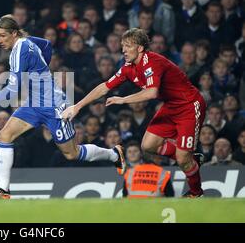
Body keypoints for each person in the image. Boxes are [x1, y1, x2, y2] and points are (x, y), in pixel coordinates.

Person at [0, 15, 126, 199]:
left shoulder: (19, 52)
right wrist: (42, 69)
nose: (0, 41)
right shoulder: (27, 41)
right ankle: (4, 188)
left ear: (13, 33)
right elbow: (46, 45)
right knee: (5, 135)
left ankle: (113, 154)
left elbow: (10, 94)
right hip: (34, 104)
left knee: (72, 154)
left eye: (3, 36)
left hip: (54, 107)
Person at [63, 28, 206, 197]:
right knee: (148, 146)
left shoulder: (152, 61)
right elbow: (104, 87)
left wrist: (123, 99)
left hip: (190, 105)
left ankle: (196, 192)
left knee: (182, 159)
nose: (123, 50)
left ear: (139, 48)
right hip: (171, 105)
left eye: (128, 46)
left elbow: (152, 93)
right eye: (122, 46)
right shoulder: (128, 68)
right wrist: (78, 105)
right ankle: (191, 158)